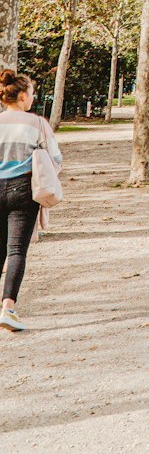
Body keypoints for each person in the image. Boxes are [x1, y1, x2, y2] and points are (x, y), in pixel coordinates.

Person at [0, 70, 62, 331]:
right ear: (23, 96)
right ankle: (8, 309)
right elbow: (55, 160)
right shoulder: (37, 124)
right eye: (33, 94)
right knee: (16, 251)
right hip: (23, 191)